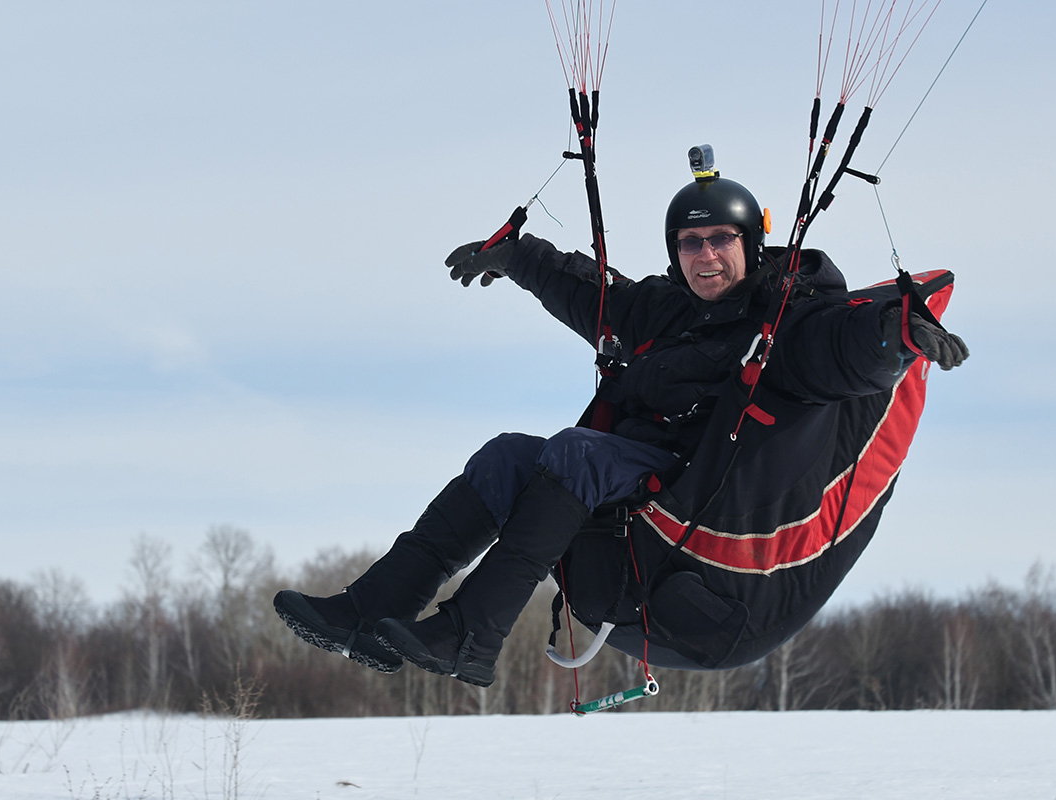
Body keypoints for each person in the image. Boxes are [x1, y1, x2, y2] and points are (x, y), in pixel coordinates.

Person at [274, 167, 968, 687]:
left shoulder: (789, 320)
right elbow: (594, 296)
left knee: (577, 454)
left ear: (751, 243)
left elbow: (841, 349)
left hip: (712, 540)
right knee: (506, 457)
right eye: (690, 243)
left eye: (721, 240)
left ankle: (469, 637)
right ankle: (369, 614)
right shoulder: (669, 311)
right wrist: (515, 257)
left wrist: (898, 336)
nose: (705, 256)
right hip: (643, 499)